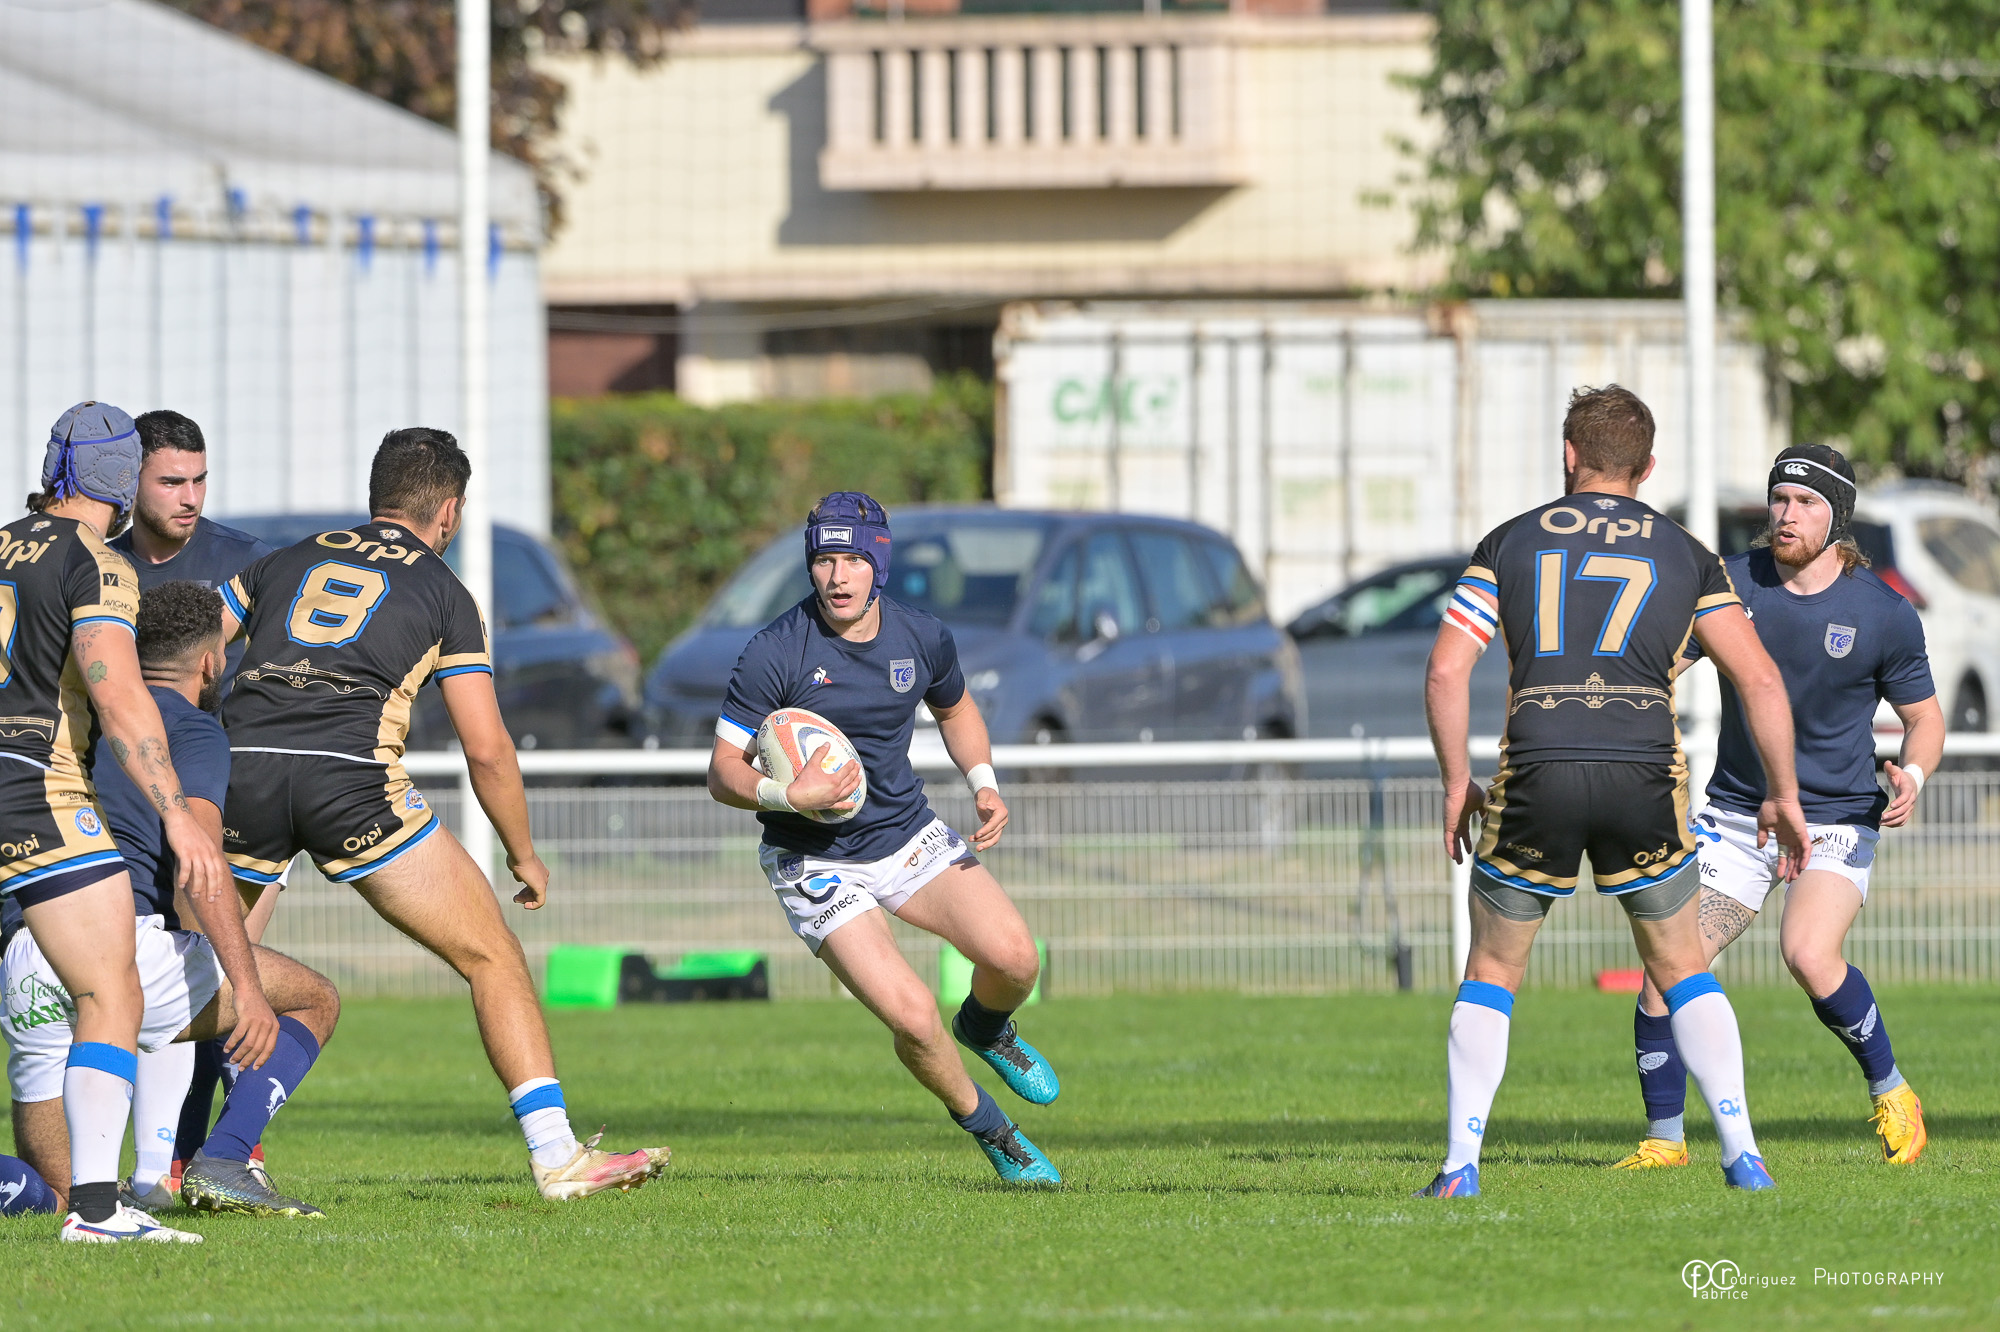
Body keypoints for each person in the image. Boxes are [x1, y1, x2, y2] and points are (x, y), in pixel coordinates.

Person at [214, 427, 667, 1199]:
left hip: (242, 772)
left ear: (376, 494)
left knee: (221, 977)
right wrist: (523, 853)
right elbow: (486, 749)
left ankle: (195, 1156)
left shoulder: (281, 560)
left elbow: (190, 652)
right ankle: (557, 1156)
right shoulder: (445, 592)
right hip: (350, 781)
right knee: (492, 955)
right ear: (449, 512)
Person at [1420, 385, 1811, 1197]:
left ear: (1569, 455)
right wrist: (1783, 794)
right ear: (1648, 466)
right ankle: (1743, 1154)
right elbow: (1761, 680)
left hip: (1539, 764)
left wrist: (1458, 781)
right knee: (1682, 967)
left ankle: (1460, 1168)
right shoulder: (1687, 554)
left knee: (1492, 968)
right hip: (1643, 769)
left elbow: (1446, 670)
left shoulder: (1508, 543)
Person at [705, 493, 1060, 1184]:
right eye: (824, 560)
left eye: (852, 560)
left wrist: (984, 782)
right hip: (813, 861)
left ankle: (986, 1028)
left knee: (1017, 959)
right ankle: (996, 1133)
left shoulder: (920, 636)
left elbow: (956, 709)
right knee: (914, 1017)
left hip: (905, 833)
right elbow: (721, 772)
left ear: (879, 564)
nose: (837, 576)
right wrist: (789, 795)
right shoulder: (775, 651)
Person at [1613, 444, 1943, 1171]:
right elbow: (1661, 665)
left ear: (1837, 516)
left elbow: (1925, 717)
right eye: (1780, 499)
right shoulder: (1731, 584)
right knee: (1666, 970)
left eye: (1806, 503)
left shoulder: (1883, 612)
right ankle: (1664, 1141)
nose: (1786, 514)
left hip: (1835, 820)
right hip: (1740, 818)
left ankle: (1892, 1091)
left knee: (1808, 954)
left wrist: (1914, 773)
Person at [0, 580, 341, 1218]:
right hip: (117, 943)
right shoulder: (190, 729)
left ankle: (141, 1181)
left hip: (24, 947)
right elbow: (198, 869)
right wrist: (247, 987)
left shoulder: (75, 715)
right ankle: (227, 1159)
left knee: (60, 1199)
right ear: (211, 662)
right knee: (312, 998)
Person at [0, 400, 231, 1242]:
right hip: (38, 789)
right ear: (120, 476)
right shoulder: (98, 563)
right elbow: (122, 699)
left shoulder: (2, 543)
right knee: (111, 989)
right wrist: (177, 815)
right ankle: (98, 1210)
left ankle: (97, 1205)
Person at [106, 407, 281, 1202]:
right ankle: (162, 1166)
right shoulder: (98, 564)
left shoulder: (245, 563)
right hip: (123, 799)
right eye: (170, 481)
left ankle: (216, 1154)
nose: (189, 497)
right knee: (169, 982)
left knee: (220, 971)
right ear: (130, 482)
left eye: (199, 480)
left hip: (219, 792)